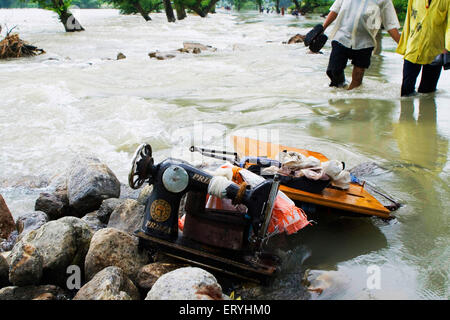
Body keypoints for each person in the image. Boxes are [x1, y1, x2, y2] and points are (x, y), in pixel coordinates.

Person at [321, 0, 401, 90]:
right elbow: (335, 10)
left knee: (357, 77)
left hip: (365, 42)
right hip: (341, 37)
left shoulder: (384, 1)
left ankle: (353, 97)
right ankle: (341, 88)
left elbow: (390, 24)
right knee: (332, 71)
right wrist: (322, 29)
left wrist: (403, 46)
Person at [396, 0, 449, 96]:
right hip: (413, 48)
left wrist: (447, 47)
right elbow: (409, 20)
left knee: (428, 92)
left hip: (435, 50)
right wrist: (404, 46)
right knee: (406, 92)